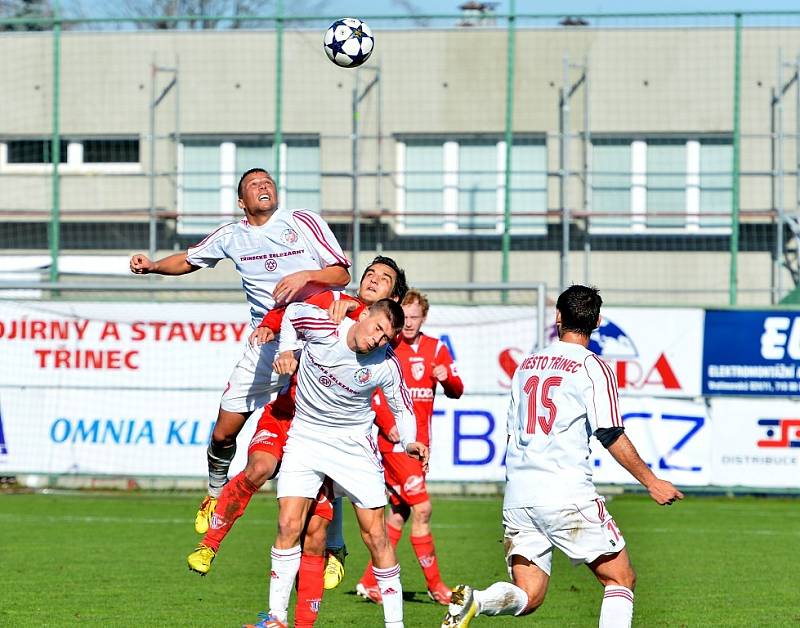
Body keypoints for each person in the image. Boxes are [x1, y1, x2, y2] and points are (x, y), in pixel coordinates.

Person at [441, 284, 684, 628]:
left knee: (529, 594)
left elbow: (512, 432)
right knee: (620, 579)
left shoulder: (526, 364)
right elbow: (610, 432)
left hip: (519, 496)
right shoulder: (592, 367)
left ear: (558, 316)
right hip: (565, 494)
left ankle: (476, 601)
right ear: (597, 321)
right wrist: (651, 481)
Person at [130, 168, 351, 535]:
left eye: (268, 182)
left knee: (322, 445)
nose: (263, 187)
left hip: (315, 346)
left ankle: (334, 543)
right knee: (223, 433)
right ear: (241, 201)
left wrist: (305, 277)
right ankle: (215, 491)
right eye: (253, 184)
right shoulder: (232, 236)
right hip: (265, 344)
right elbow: (188, 259)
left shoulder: (303, 222)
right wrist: (153, 266)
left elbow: (341, 274)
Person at [186, 256, 408, 587]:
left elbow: (391, 366)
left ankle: (332, 552)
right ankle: (209, 546)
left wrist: (354, 311)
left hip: (331, 429)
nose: (373, 279)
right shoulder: (331, 299)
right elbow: (292, 306)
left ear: (395, 298)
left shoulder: (384, 339)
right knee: (258, 467)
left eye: (385, 278)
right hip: (288, 410)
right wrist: (270, 326)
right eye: (371, 273)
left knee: (315, 516)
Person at [246, 299, 428, 628]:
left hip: (353, 447)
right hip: (306, 438)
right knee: (289, 525)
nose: (378, 339)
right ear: (365, 315)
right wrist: (287, 349)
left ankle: (395, 624)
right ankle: (275, 618)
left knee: (376, 536)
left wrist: (409, 441)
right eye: (377, 329)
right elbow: (291, 314)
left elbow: (402, 407)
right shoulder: (324, 326)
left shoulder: (385, 364)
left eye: (386, 337)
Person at [356, 289, 464, 606]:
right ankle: (436, 586)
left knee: (400, 512)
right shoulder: (389, 348)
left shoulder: (437, 348)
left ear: (424, 318)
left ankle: (368, 582)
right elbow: (372, 389)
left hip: (420, 446)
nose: (410, 323)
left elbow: (457, 390)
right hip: (396, 444)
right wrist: (388, 426)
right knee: (423, 509)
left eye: (416, 317)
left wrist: (447, 380)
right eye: (406, 317)